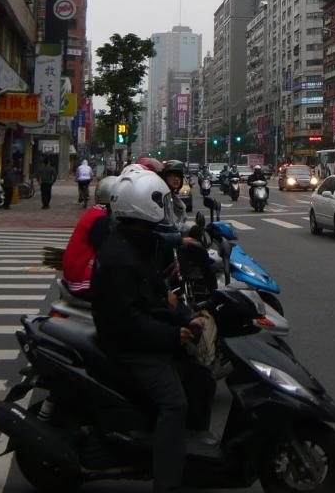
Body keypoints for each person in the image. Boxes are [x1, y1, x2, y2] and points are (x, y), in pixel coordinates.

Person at [91, 167, 214, 492]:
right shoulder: (121, 256)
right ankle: (167, 483)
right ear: (145, 204)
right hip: (128, 344)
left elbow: (158, 293)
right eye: (159, 201)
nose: (163, 206)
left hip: (140, 332)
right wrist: (172, 334)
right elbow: (128, 320)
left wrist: (185, 318)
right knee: (174, 404)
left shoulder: (135, 241)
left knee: (197, 377)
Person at [62, 174, 117, 297]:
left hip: (75, 276)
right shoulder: (101, 219)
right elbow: (108, 250)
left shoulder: (97, 212)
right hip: (82, 281)